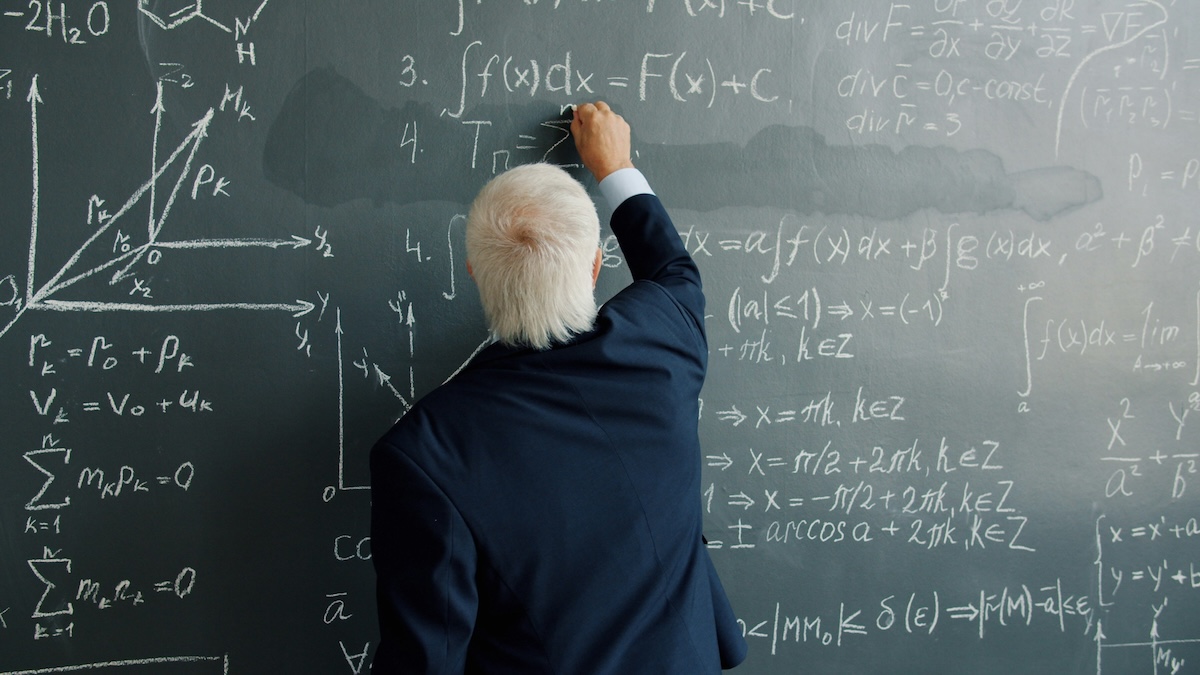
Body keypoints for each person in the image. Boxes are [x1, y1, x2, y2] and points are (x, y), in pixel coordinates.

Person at [370, 101, 748, 673]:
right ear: (596, 265)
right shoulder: (661, 343)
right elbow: (673, 269)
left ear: (475, 272)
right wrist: (614, 166)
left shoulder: (425, 454)